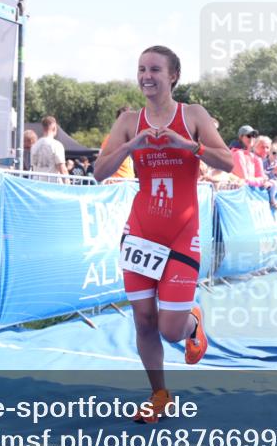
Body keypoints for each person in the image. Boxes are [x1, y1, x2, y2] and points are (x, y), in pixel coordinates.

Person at [94, 45, 233, 423]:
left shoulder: (193, 115)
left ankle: (192, 323)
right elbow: (98, 172)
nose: (146, 76)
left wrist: (190, 146)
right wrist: (130, 145)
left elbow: (229, 162)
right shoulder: (128, 120)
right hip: (141, 233)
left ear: (173, 76)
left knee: (170, 330)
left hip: (180, 234)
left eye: (155, 69)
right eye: (141, 69)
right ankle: (159, 395)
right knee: (143, 320)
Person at [99, 106, 136, 179]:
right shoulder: (110, 138)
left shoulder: (134, 137)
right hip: (116, 184)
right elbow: (101, 161)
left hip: (129, 182)